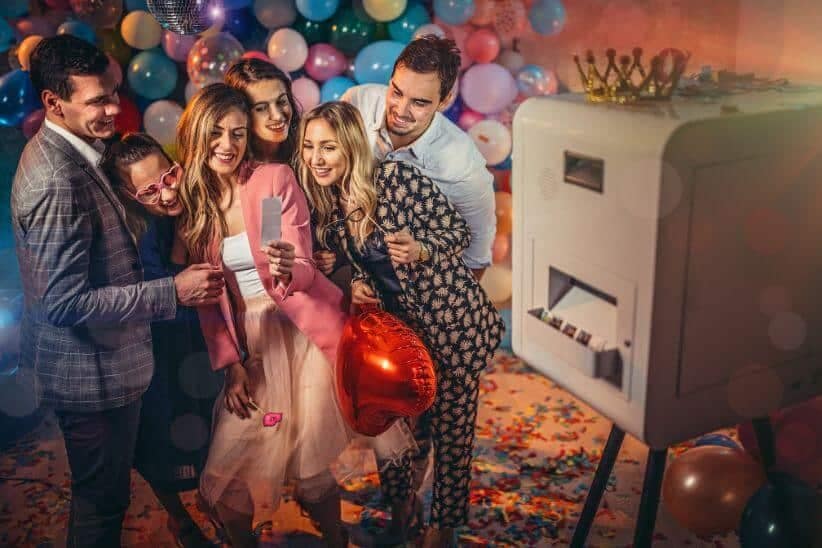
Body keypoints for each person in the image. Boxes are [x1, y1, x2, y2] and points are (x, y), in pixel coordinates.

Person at [10, 35, 223, 548]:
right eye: (97, 101)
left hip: (111, 364)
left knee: (108, 499)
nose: (113, 108)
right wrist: (172, 290)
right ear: (52, 103)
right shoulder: (55, 178)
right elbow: (64, 303)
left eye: (112, 93)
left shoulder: (83, 151)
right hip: (90, 377)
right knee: (100, 506)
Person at [296, 101, 504, 548]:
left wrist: (422, 249)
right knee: (399, 427)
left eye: (328, 147)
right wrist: (347, 278)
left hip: (450, 324)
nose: (316, 158)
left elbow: (458, 232)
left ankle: (443, 528)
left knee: (451, 431)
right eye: (310, 146)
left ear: (350, 147)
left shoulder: (397, 179)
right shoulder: (329, 209)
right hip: (398, 335)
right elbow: (348, 269)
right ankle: (401, 505)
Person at [175, 83, 351, 548]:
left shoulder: (270, 180)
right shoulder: (196, 207)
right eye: (216, 133)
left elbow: (299, 262)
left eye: (236, 133)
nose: (227, 145)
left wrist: (289, 267)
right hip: (251, 346)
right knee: (230, 470)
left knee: (309, 466)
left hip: (299, 336)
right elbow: (208, 301)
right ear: (196, 135)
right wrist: (231, 365)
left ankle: (336, 541)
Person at [100, 133, 222, 548]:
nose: (167, 192)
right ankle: (179, 520)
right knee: (155, 440)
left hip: (200, 336)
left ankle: (216, 504)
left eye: (169, 175)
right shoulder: (125, 233)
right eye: (150, 190)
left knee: (213, 430)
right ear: (128, 194)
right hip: (153, 350)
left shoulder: (199, 194)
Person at [341, 34, 495, 282]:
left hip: (412, 283)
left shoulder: (463, 166)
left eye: (419, 102)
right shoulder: (358, 101)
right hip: (347, 257)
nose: (401, 111)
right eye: (396, 92)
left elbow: (475, 259)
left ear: (444, 101)